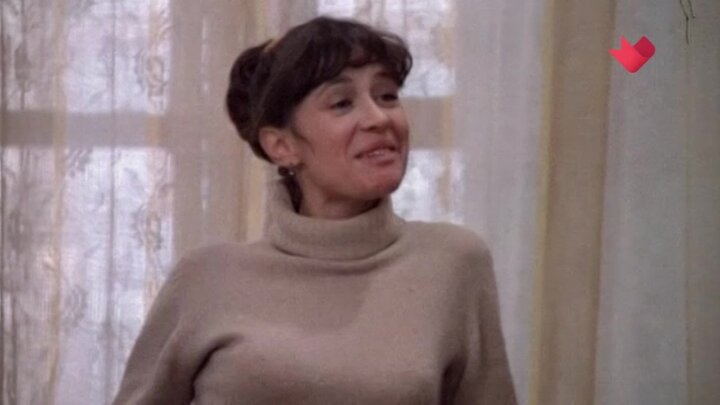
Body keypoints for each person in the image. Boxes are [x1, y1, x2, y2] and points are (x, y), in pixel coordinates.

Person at [113, 16, 516, 404]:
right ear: (282, 146)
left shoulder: (454, 261)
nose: (379, 118)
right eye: (342, 103)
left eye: (387, 95)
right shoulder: (206, 278)